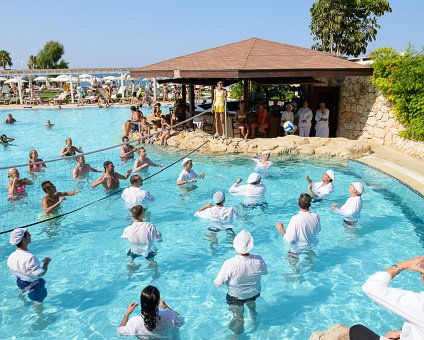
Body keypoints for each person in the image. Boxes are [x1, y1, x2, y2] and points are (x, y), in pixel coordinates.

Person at [350, 256, 424, 340]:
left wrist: (401, 266)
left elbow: (370, 287)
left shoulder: (418, 303)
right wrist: (403, 333)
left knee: (357, 330)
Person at [214, 230, 267, 335]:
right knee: (252, 305)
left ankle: (237, 335)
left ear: (235, 245)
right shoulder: (258, 259)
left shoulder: (230, 263)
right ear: (251, 245)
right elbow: (265, 272)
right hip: (254, 293)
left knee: (238, 317)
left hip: (236, 296)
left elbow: (218, 283)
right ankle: (254, 317)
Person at [117, 285, 184, 338]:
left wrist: (127, 314)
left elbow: (120, 331)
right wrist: (166, 307)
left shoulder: (134, 323)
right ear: (158, 302)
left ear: (142, 303)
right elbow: (181, 322)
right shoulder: (170, 316)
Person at [7, 228, 51, 304]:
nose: (30, 235)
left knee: (24, 289)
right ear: (24, 240)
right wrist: (46, 263)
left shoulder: (11, 256)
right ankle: (40, 314)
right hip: (33, 285)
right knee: (38, 302)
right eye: (28, 234)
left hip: (20, 282)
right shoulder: (30, 257)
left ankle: (22, 297)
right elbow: (41, 274)